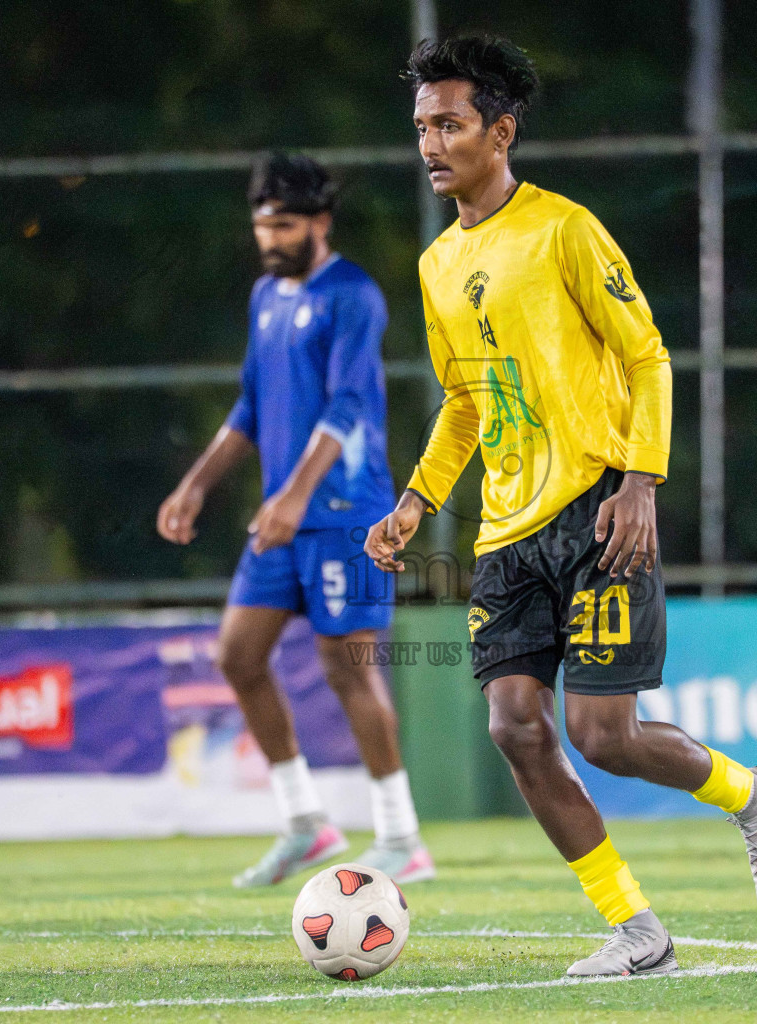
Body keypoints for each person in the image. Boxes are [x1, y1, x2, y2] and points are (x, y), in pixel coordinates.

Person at [365, 37, 757, 979]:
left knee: (603, 736)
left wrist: (641, 480)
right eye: (421, 128)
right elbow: (466, 402)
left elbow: (648, 356)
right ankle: (637, 930)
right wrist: (415, 500)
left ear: (501, 130)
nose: (431, 144)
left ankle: (753, 794)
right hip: (505, 534)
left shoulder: (565, 229)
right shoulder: (439, 264)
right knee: (516, 728)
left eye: (450, 124)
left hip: (598, 509)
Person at [157, 154, 433, 887]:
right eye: (260, 224)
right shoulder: (266, 298)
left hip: (345, 513)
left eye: (282, 224)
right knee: (237, 656)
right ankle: (306, 823)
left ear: (319, 222)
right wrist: (196, 485)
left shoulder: (353, 296)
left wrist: (291, 497)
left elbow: (346, 407)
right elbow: (248, 406)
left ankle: (402, 837)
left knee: (349, 670)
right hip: (284, 517)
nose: (268, 238)